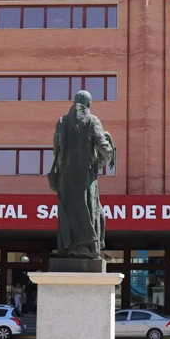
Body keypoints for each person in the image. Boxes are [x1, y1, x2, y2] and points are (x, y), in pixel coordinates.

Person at [48, 90, 115, 260]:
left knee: (68, 213)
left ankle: (67, 249)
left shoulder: (62, 121)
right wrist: (97, 165)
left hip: (65, 178)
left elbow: (57, 148)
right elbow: (106, 150)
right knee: (91, 211)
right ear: (89, 105)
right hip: (85, 177)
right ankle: (90, 249)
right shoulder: (93, 121)